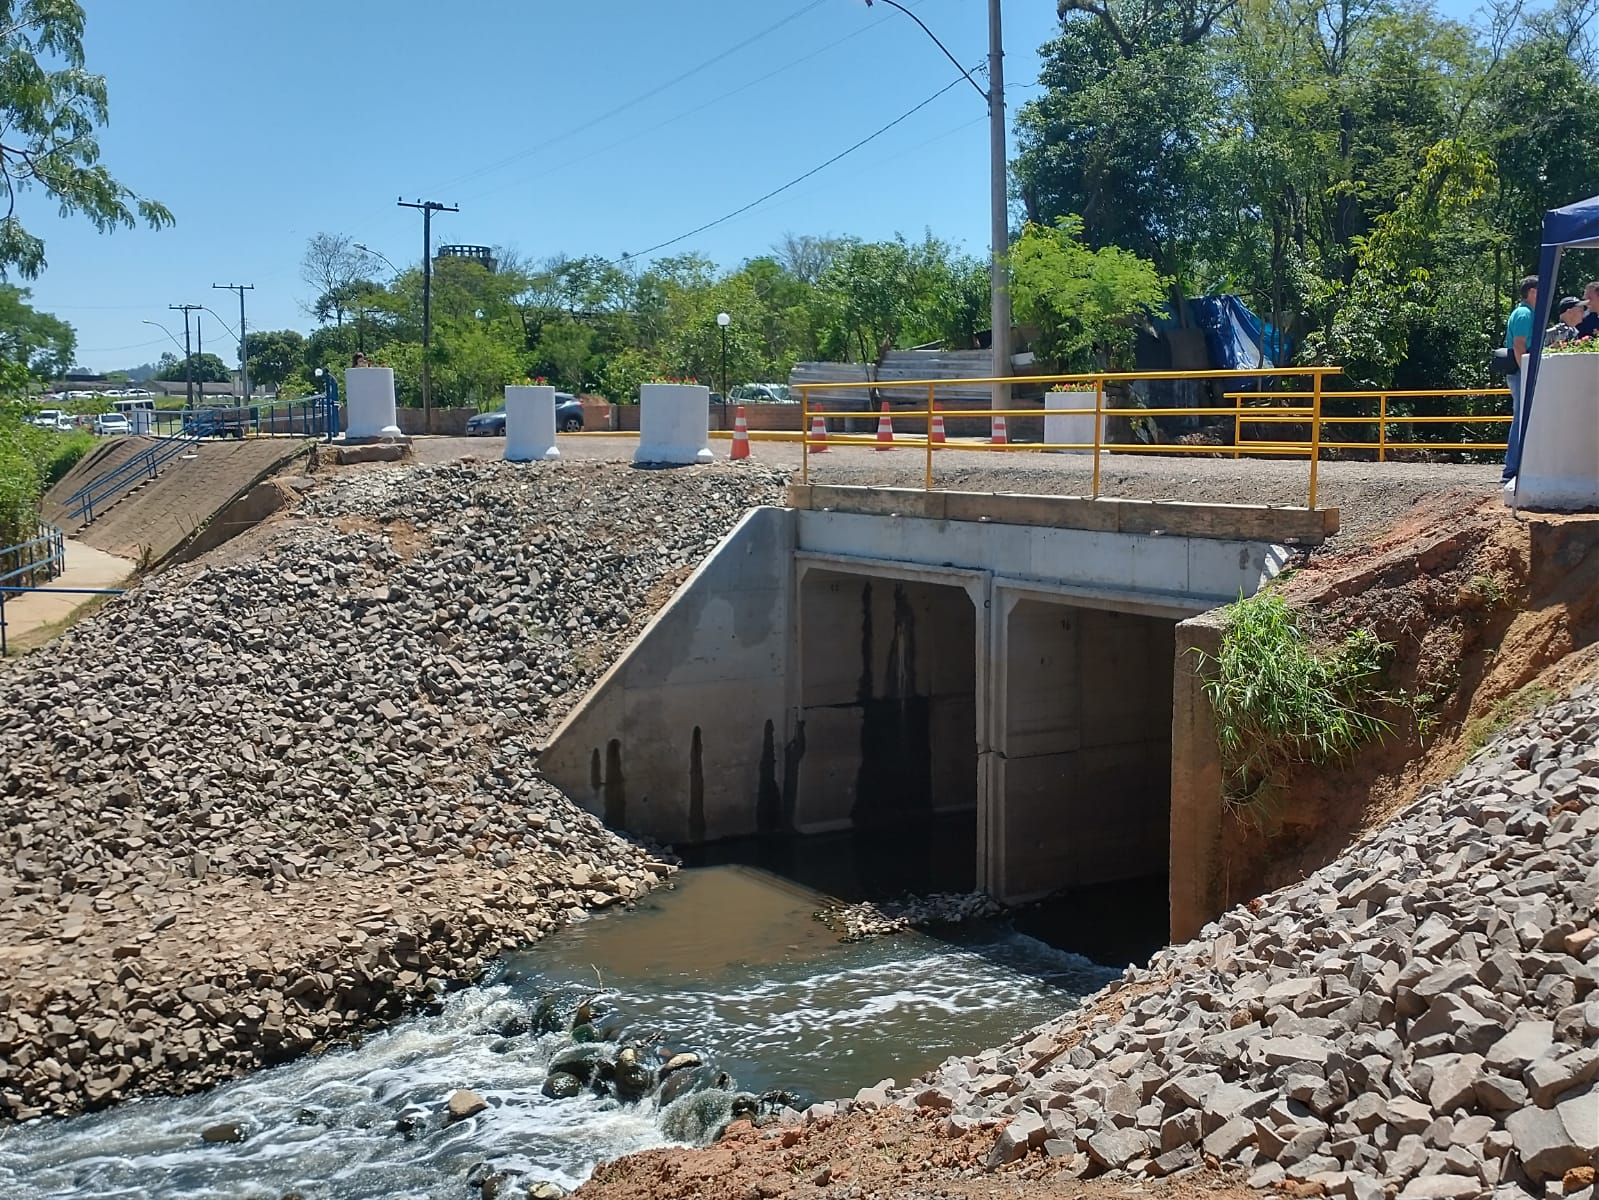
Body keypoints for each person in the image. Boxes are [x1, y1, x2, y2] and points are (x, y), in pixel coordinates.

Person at [1503, 275, 1537, 482]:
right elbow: (1519, 344)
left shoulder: (1525, 312)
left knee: (1522, 417)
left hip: (1519, 371)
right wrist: (1527, 372)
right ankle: (1512, 467)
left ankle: (1515, 466)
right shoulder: (1525, 314)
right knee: (1521, 417)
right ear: (1532, 292)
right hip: (1520, 373)